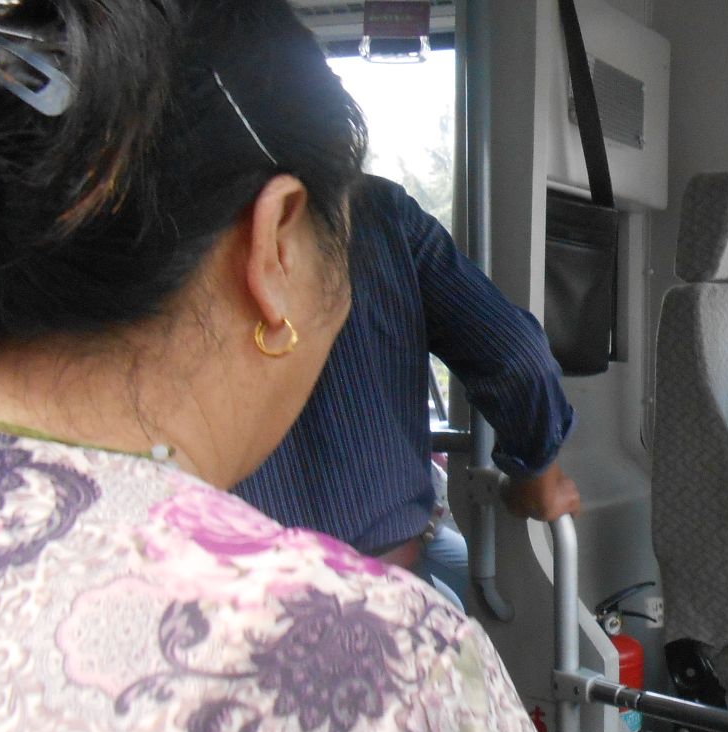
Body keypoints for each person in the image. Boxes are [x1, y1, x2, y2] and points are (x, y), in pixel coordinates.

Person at [0, 0, 647, 732]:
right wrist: (537, 470)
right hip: (388, 559)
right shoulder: (384, 670)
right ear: (276, 242)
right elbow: (517, 355)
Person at [234, 170, 581, 612]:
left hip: (233, 601)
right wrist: (540, 479)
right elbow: (519, 358)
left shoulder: (178, 231)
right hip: (386, 594)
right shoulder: (376, 209)